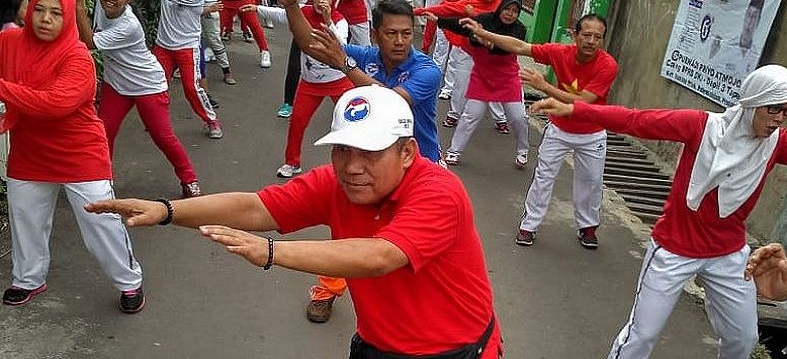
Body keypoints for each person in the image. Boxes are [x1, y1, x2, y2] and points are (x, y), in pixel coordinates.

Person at [86, 85, 503, 358]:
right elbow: (256, 208)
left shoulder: (439, 191)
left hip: (458, 351)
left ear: (408, 153)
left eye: (371, 153)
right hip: (378, 346)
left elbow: (381, 255)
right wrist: (167, 211)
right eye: (342, 149)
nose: (353, 167)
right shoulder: (335, 183)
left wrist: (271, 252)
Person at [531, 63, 787, 359]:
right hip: (674, 250)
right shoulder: (701, 126)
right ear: (752, 102)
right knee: (642, 337)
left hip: (728, 255)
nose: (779, 120)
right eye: (773, 109)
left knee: (743, 339)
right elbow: (636, 120)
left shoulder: (776, 144)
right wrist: (575, 110)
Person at [264, 0, 443, 322]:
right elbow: (310, 44)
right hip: (373, 164)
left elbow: (390, 102)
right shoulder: (369, 58)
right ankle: (327, 290)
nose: (399, 41)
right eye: (391, 34)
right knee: (349, 231)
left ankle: (414, 307)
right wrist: (290, 6)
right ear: (375, 36)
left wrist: (343, 63)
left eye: (406, 34)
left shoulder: (427, 70)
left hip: (419, 169)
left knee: (416, 247)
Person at [0, 0, 144, 313]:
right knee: (26, 219)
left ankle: (129, 281)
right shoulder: (10, 41)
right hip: (29, 151)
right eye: (39, 9)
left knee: (101, 222)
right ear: (29, 10)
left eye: (56, 13)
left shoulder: (78, 57)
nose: (45, 19)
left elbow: (54, 104)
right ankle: (28, 279)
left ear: (67, 19)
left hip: (79, 153)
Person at [463, 13, 617, 249]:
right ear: (574, 35)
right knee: (544, 177)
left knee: (592, 181)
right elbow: (520, 46)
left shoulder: (607, 65)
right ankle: (529, 226)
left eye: (598, 37)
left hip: (592, 132)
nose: (591, 41)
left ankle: (588, 227)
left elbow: (583, 102)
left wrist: (544, 87)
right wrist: (483, 33)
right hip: (559, 129)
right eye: (586, 35)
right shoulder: (559, 52)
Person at [69, 0, 202, 198]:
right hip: (116, 85)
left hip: (147, 85)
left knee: (162, 136)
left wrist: (78, 9)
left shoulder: (129, 25)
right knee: (103, 133)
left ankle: (189, 178)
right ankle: (101, 181)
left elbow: (89, 43)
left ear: (128, 0)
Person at [114, 0, 225, 139]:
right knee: (156, 85)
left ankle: (211, 120)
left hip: (186, 47)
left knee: (192, 89)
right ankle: (158, 122)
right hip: (163, 46)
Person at [241, 0, 352, 178]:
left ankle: (352, 163)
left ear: (334, 0)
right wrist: (256, 8)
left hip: (339, 81)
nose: (322, 0)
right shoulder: (303, 11)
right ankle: (292, 162)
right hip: (310, 83)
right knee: (297, 123)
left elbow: (342, 46)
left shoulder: (340, 20)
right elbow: (282, 14)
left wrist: (328, 22)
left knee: (350, 123)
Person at [436, 0, 530, 168]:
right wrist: (439, 20)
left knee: (518, 117)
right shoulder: (484, 20)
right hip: (482, 76)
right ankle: (453, 151)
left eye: (514, 11)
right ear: (501, 8)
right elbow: (462, 26)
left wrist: (483, 39)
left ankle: (523, 150)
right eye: (507, 9)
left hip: (507, 79)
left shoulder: (519, 30)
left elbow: (502, 50)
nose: (510, 14)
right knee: (471, 116)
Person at [415, 0, 509, 134]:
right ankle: (453, 114)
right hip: (469, 50)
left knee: (494, 86)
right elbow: (445, 9)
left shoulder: (502, 8)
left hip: (492, 55)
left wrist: (474, 15)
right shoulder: (469, 3)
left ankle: (501, 119)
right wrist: (418, 10)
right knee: (461, 83)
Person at [257, 0, 340, 118]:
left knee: (332, 70)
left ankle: (341, 106)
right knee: (295, 66)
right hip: (301, 31)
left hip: (324, 34)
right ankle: (288, 102)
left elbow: (335, 13)